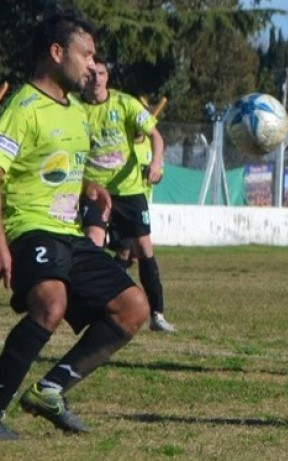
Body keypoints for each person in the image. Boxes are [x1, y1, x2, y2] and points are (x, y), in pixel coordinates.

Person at [0, 11, 150, 440]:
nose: (92, 65)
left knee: (133, 307)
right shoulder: (22, 108)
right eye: (86, 54)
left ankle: (50, 389)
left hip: (69, 232)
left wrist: (88, 187)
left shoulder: (77, 113)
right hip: (28, 227)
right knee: (51, 303)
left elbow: (54, 162)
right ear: (56, 52)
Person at [79, 55, 175, 332]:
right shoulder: (74, 108)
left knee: (143, 248)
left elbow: (156, 136)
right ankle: (94, 306)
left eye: (101, 73)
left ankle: (157, 313)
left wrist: (156, 163)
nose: (96, 78)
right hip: (95, 189)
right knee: (93, 242)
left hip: (129, 190)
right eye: (91, 73)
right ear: (84, 77)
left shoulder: (125, 104)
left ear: (107, 77)